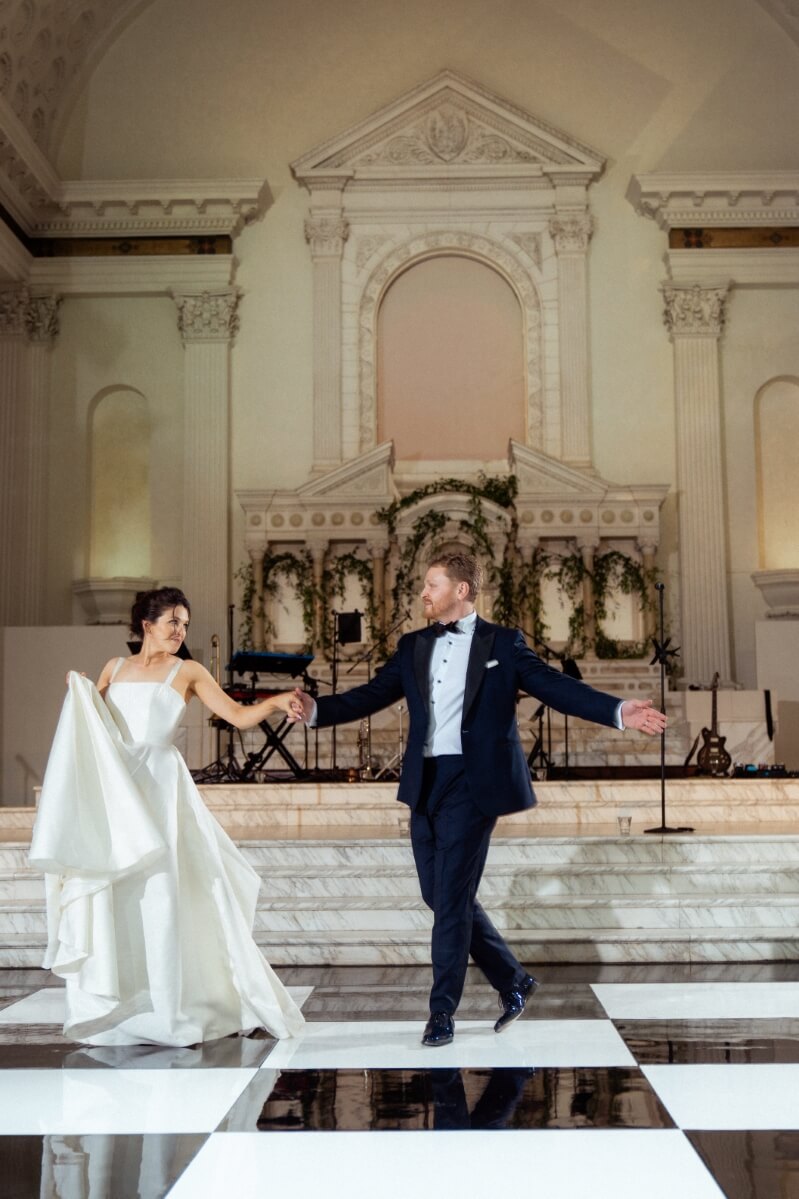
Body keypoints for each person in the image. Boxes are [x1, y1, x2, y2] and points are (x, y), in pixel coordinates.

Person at [291, 551, 666, 1047]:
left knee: (449, 902)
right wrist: (317, 709)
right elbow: (371, 694)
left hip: (475, 782)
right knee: (441, 895)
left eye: (432, 584)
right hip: (426, 780)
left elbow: (555, 687)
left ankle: (441, 1012)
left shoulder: (503, 643)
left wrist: (618, 711)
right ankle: (512, 980)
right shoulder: (413, 645)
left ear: (461, 590)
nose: (423, 593)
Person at [30, 587, 306, 1047]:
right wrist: (78, 687)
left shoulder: (189, 671)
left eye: (185, 625)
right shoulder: (113, 669)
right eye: (173, 622)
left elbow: (237, 716)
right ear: (147, 625)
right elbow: (91, 726)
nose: (180, 631)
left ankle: (172, 1010)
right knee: (120, 895)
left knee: (163, 895)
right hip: (120, 792)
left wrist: (276, 701)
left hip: (160, 790)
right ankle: (121, 1011)